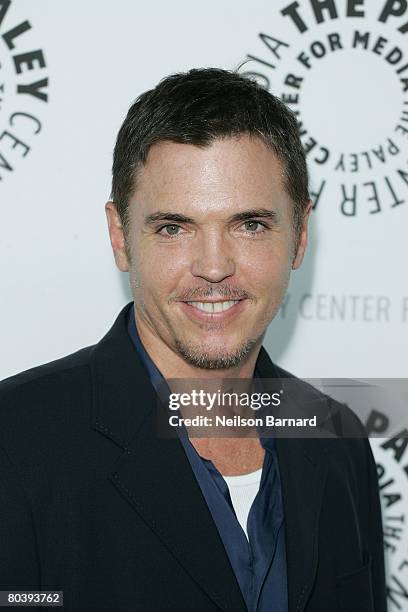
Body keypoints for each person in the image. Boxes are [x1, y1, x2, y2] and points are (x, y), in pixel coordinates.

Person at [0, 68, 386, 612]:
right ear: (120, 237)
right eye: (173, 227)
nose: (213, 268)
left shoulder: (336, 438)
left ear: (299, 235)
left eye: (249, 224)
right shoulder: (15, 443)